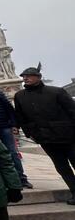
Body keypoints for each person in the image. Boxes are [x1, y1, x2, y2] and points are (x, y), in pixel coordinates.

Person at [14, 66, 75, 205]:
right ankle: (74, 191)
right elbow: (20, 116)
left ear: (38, 77)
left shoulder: (56, 92)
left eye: (29, 76)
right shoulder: (20, 96)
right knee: (62, 167)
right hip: (45, 138)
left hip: (68, 136)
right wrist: (29, 133)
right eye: (24, 76)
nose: (25, 78)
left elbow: (72, 110)